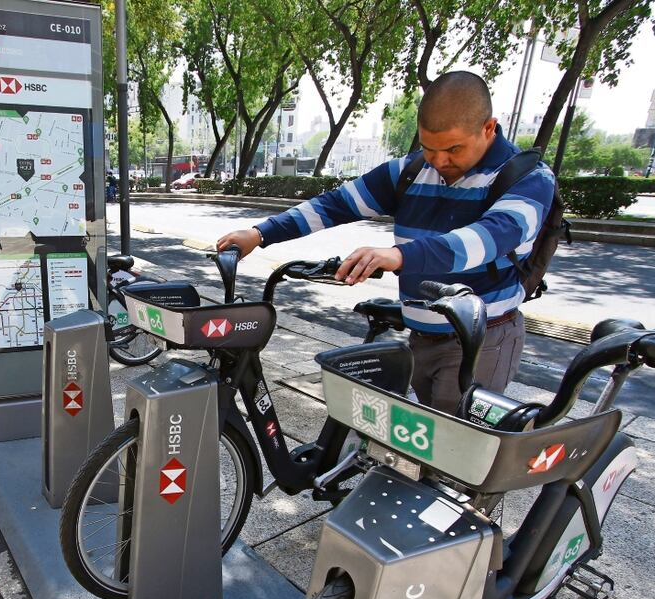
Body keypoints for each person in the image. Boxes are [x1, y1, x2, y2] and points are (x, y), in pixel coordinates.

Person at [217, 71, 556, 414]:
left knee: (447, 453)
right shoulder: (411, 171)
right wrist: (261, 234)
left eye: (453, 149)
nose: (439, 161)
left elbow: (486, 239)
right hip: (420, 337)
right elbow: (336, 204)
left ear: (488, 128)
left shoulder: (528, 179)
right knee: (415, 444)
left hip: (479, 341)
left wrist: (398, 256)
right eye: (428, 147)